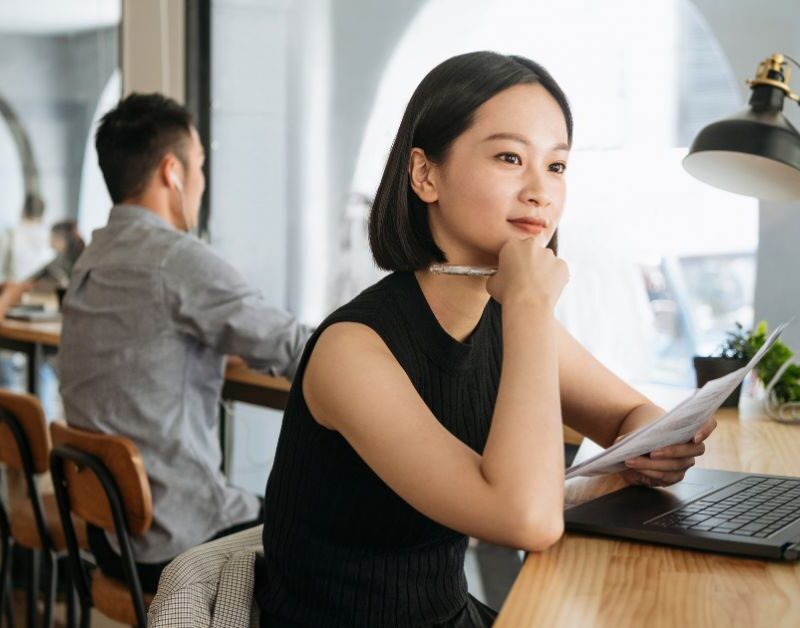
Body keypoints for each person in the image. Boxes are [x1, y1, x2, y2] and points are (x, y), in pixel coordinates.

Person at [255, 52, 718, 627]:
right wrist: (527, 303)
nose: (540, 192)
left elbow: (632, 412)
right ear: (425, 175)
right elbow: (527, 522)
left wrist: (658, 449)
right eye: (509, 157)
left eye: (557, 166)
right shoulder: (352, 351)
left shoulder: (505, 319)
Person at [57, 93, 313, 593]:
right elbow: (298, 348)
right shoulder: (174, 259)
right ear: (172, 172)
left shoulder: (91, 258)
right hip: (180, 544)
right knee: (330, 538)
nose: (201, 181)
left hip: (111, 538)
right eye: (198, 165)